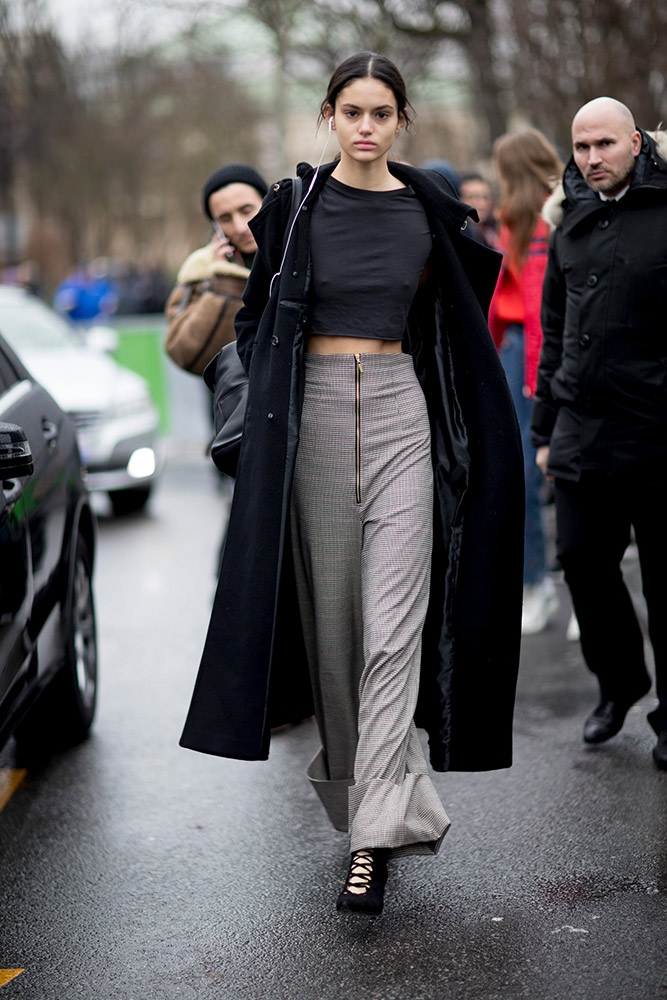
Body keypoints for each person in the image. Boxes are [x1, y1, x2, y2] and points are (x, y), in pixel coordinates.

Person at [180, 52, 524, 915]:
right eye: (351, 111)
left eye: (381, 112)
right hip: (318, 428)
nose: (365, 126)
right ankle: (368, 804)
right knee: (336, 637)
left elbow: (456, 326)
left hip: (405, 414)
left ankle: (369, 841)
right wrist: (263, 401)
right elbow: (258, 315)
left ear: (401, 120)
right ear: (327, 116)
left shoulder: (431, 212)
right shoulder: (293, 210)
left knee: (391, 635)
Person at [533, 97, 667, 770]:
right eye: (581, 147)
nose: (591, 159)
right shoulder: (570, 222)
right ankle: (619, 684)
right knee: (582, 561)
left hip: (657, 431)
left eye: (604, 145)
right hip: (583, 431)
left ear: (635, 142)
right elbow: (553, 335)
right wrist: (543, 432)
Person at [488, 129, 564, 634]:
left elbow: (527, 305)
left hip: (527, 350)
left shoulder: (527, 221)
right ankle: (544, 585)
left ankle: (539, 584)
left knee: (527, 475)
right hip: (539, 347)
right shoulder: (561, 211)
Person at [164, 164, 267, 375]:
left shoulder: (299, 252)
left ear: (267, 203)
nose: (240, 227)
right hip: (237, 401)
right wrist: (227, 283)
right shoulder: (201, 271)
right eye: (225, 219)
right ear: (215, 226)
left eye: (246, 211)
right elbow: (184, 353)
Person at [459, 172, 497, 247]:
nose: (481, 204)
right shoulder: (459, 235)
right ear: (459, 199)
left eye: (485, 197)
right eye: (472, 197)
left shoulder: (497, 230)